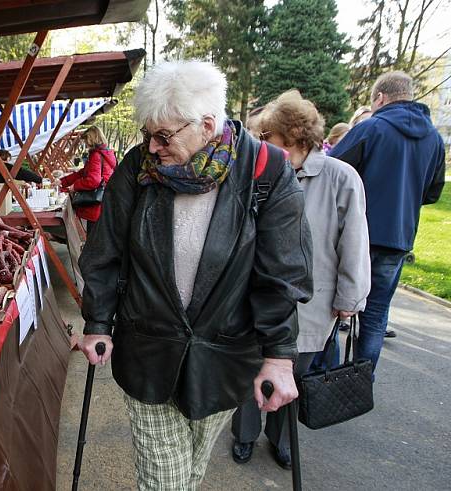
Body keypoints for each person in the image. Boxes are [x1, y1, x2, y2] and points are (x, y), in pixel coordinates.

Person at [77, 60, 313, 489]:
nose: (152, 147)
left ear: (206, 125)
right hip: (146, 351)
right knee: (165, 482)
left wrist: (279, 356)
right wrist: (98, 323)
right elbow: (103, 252)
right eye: (148, 135)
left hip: (223, 358)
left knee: (188, 474)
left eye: (163, 136)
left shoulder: (266, 170)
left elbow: (282, 273)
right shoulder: (136, 170)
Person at [231, 90, 370, 469]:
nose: (261, 143)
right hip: (255, 297)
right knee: (249, 367)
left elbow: (355, 244)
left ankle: (281, 437)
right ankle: (243, 434)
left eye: (268, 137)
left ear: (291, 138)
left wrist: (350, 297)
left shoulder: (341, 177)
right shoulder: (261, 171)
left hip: (312, 304)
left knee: (293, 372)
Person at [330, 70, 445, 371]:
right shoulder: (434, 138)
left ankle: (321, 376)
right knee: (377, 313)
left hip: (357, 234)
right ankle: (362, 380)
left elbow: (333, 171)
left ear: (379, 98)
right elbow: (432, 192)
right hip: (399, 236)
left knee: (334, 306)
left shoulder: (372, 128)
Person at [59, 126, 117, 231]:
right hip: (105, 199)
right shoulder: (106, 153)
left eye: (86, 141)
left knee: (94, 237)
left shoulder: (96, 155)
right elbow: (83, 173)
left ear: (91, 139)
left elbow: (93, 180)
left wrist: (75, 186)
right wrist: (63, 182)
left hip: (97, 203)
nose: (85, 144)